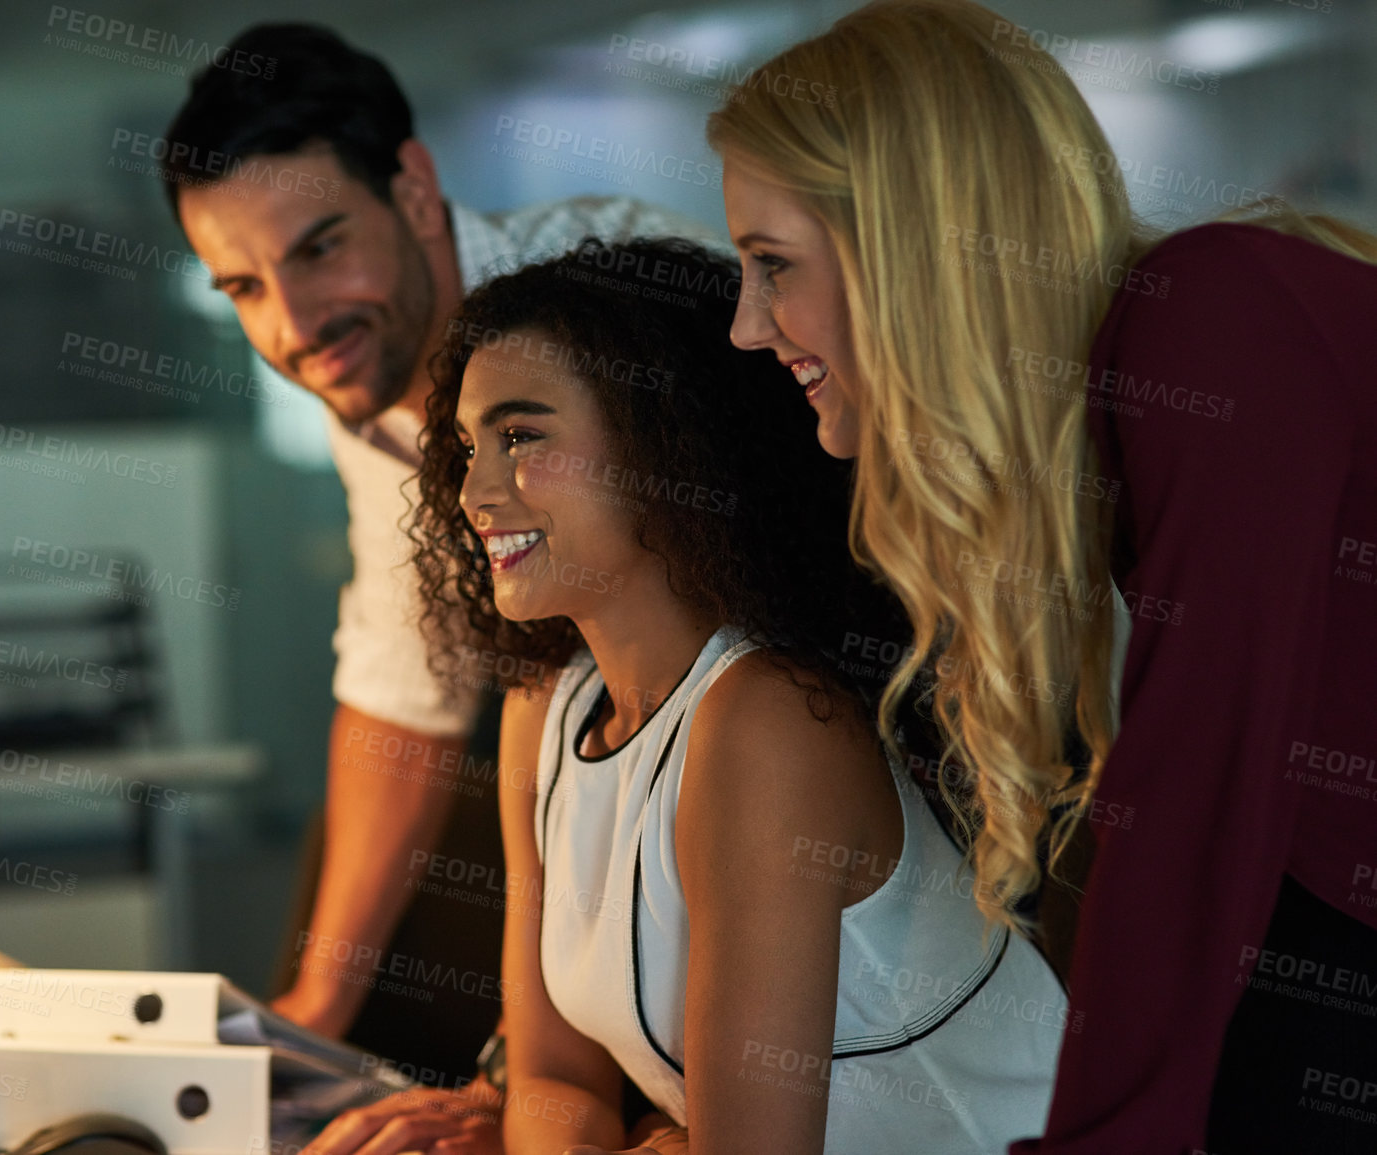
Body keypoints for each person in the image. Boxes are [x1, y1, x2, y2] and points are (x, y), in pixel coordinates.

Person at [707, 2, 1377, 1151]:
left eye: (773, 267)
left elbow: (1199, 787)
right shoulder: (1106, 420)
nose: (745, 327)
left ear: (914, 246)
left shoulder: (1212, 318)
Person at [160, 22, 721, 1148]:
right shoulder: (372, 394)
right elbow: (402, 681)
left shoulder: (626, 311)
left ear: (413, 186)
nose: (292, 324)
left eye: (319, 249)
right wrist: (305, 1025)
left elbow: (719, 693)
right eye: (242, 287)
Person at [408, 236, 1068, 1153]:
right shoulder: (546, 713)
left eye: (522, 436)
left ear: (665, 443)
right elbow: (554, 1075)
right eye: (468, 445)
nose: (474, 487)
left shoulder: (765, 723)